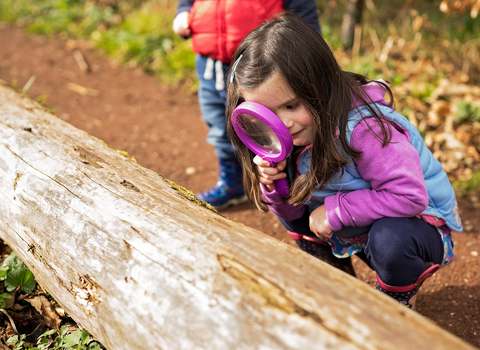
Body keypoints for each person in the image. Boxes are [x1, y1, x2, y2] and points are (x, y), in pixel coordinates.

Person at [225, 12, 462, 309]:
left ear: (319, 86)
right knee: (293, 208)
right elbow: (291, 209)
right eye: (268, 113)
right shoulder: (294, 135)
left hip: (417, 227)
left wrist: (335, 211)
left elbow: (409, 197)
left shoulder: (365, 129)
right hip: (357, 228)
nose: (283, 123)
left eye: (291, 105)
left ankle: (398, 300)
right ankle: (337, 283)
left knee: (390, 241)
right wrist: (274, 185)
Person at [172, 1, 321, 210]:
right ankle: (233, 182)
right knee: (219, 122)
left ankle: (301, 185)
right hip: (209, 63)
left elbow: (301, 8)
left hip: (264, 65)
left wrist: (307, 51)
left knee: (279, 124)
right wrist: (184, 12)